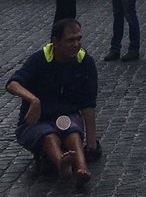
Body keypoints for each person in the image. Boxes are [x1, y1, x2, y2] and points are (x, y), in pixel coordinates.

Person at [6, 18, 99, 185]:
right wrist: (33, 100)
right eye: (70, 40)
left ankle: (82, 167)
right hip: (37, 121)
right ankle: (61, 164)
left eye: (78, 39)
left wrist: (91, 144)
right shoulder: (38, 60)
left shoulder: (85, 62)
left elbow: (88, 103)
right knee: (48, 136)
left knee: (73, 132)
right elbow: (12, 84)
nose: (76, 44)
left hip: (66, 117)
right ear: (55, 42)